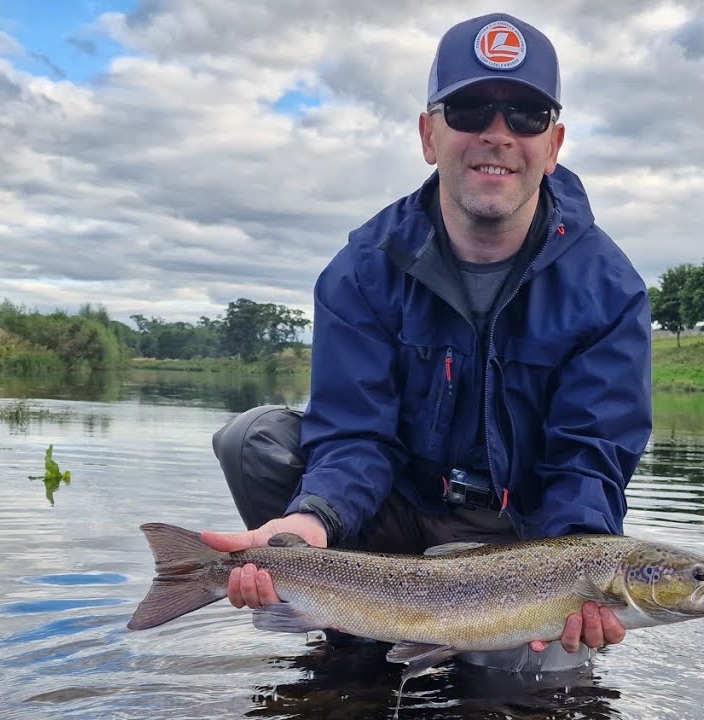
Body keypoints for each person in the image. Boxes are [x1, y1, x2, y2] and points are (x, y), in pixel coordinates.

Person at [202, 12, 652, 668]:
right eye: (469, 110)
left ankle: (428, 634)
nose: (497, 134)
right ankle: (344, 621)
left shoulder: (609, 290)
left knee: (522, 695)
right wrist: (311, 520)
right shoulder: (363, 270)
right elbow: (355, 435)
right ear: (428, 135)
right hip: (394, 515)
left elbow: (587, 459)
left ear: (553, 145)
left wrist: (580, 567)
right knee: (253, 441)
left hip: (522, 540)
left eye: (526, 115)